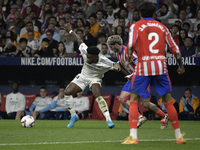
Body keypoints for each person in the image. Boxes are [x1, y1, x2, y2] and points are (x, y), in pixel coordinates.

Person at [123, 2, 186, 144]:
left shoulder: (136, 26)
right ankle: (179, 136)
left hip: (143, 67)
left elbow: (131, 45)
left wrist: (127, 60)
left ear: (139, 14)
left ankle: (133, 137)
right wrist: (180, 66)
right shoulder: (163, 27)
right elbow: (175, 49)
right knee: (168, 102)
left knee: (133, 101)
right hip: (160, 67)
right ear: (154, 14)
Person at [63, 23, 121, 129]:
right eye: (87, 57)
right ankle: (73, 116)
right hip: (83, 76)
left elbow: (117, 66)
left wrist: (120, 68)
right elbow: (80, 41)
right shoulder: (86, 51)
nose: (88, 59)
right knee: (67, 92)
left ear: (96, 57)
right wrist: (71, 31)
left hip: (95, 78)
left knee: (97, 94)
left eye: (90, 58)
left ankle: (108, 119)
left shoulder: (105, 61)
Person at [107, 35, 168, 129]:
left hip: (141, 78)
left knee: (146, 104)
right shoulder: (117, 53)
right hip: (132, 79)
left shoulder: (128, 52)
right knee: (121, 99)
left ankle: (164, 116)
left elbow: (141, 64)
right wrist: (117, 64)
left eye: (111, 46)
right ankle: (140, 117)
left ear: (116, 44)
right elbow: (121, 62)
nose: (110, 48)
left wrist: (132, 75)